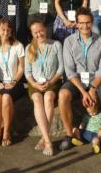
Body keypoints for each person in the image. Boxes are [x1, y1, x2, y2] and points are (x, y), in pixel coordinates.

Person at [58, 7, 101, 153]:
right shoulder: (69, 41)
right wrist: (83, 91)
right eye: (81, 23)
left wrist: (92, 89)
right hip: (77, 81)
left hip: (96, 80)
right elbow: (69, 71)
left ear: (92, 23)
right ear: (77, 23)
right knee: (62, 96)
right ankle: (68, 135)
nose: (85, 26)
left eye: (88, 23)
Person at [25, 19, 64, 156]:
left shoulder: (56, 45)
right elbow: (27, 72)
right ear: (32, 34)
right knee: (37, 98)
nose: (39, 34)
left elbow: (61, 68)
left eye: (41, 30)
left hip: (52, 81)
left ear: (45, 29)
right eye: (35, 32)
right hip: (35, 83)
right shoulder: (29, 48)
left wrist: (51, 81)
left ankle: (43, 138)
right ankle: (48, 141)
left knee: (48, 98)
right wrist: (35, 84)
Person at [0, 18, 25, 147]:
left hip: (14, 83)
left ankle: (7, 131)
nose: (6, 31)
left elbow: (22, 67)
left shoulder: (18, 46)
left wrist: (14, 81)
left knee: (5, 97)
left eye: (8, 29)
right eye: (3, 29)